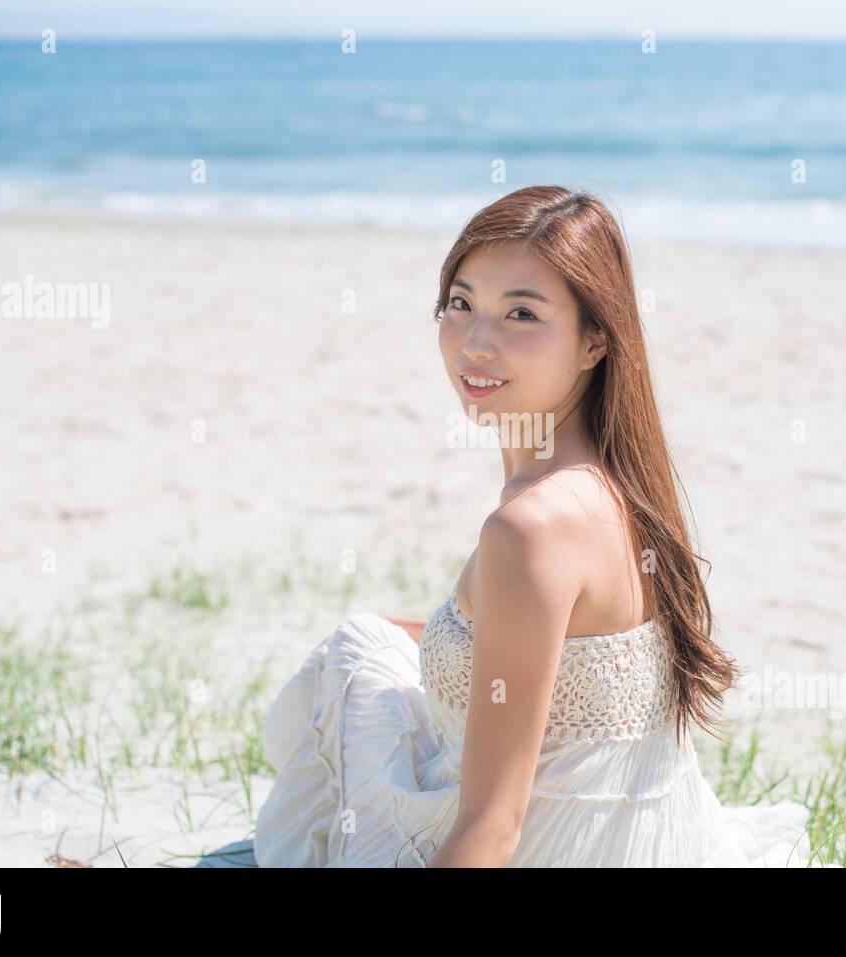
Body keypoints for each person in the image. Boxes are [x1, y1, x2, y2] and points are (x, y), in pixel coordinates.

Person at [252, 185, 812, 867]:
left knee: (353, 653)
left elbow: (492, 828)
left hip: (549, 849)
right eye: (461, 303)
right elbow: (550, 652)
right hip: (645, 836)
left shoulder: (530, 529)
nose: (477, 343)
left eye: (521, 312)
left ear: (594, 340)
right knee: (383, 638)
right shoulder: (617, 484)